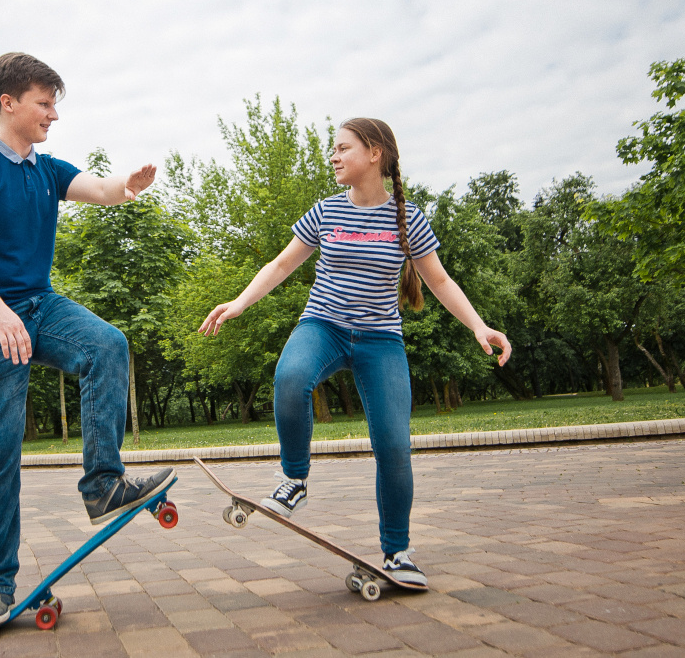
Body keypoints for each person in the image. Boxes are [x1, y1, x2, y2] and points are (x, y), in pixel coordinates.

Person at [0, 52, 175, 635]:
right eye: (44, 102)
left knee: (107, 345)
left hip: (37, 307)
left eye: (55, 103)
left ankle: (103, 484)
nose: (54, 114)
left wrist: (127, 186)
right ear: (8, 102)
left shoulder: (45, 168)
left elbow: (100, 188)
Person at [199, 117, 511, 589]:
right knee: (290, 376)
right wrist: (240, 302)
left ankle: (398, 553)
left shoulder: (409, 220)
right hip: (322, 326)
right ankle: (295, 479)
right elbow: (283, 262)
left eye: (343, 148)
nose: (334, 156)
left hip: (380, 339)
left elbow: (439, 280)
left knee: (393, 445)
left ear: (374, 154)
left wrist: (479, 326)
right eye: (334, 149)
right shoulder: (325, 212)